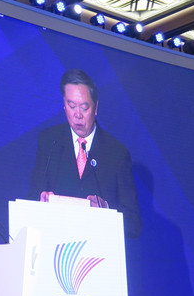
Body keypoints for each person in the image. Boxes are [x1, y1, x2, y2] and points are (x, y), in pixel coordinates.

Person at [29, 69, 142, 239]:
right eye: (71, 106)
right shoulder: (49, 141)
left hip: (97, 248)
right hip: (55, 242)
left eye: (84, 107)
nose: (77, 115)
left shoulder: (117, 153)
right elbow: (31, 199)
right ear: (64, 105)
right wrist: (40, 201)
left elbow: (133, 225)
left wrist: (106, 210)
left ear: (96, 107)